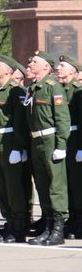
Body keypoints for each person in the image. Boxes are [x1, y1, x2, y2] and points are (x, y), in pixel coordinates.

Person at [25, 51, 71, 246]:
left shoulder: (53, 87)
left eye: (35, 61)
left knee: (56, 186)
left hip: (51, 141)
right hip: (36, 142)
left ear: (45, 66)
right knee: (43, 186)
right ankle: (48, 226)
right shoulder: (33, 88)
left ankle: (58, 230)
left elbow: (62, 118)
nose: (31, 63)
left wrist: (61, 145)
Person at [0, 55, 29, 243]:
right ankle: (9, 223)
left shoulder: (16, 90)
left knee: (13, 187)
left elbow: (20, 122)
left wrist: (18, 147)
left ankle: (18, 228)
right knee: (0, 187)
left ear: (8, 70)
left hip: (8, 142)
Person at [55, 55, 82, 239]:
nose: (58, 69)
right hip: (62, 139)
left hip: (74, 139)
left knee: (77, 182)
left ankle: (79, 221)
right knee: (65, 183)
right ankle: (71, 220)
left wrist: (81, 146)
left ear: (73, 71)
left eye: (62, 66)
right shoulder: (58, 90)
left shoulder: (77, 90)